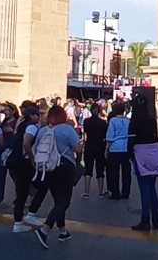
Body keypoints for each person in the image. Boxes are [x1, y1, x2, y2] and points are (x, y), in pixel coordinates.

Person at [27, 105, 83, 249]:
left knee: (58, 200)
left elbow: (37, 147)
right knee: (63, 201)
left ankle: (63, 231)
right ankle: (45, 229)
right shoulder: (67, 129)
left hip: (48, 168)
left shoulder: (43, 130)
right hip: (65, 167)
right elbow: (78, 149)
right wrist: (78, 160)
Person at [128, 94, 158, 232]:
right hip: (154, 153)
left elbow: (131, 140)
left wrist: (131, 156)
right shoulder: (151, 119)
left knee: (144, 188)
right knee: (152, 188)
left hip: (141, 154)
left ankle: (145, 220)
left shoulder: (135, 120)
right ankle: (155, 219)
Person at [9, 105, 41, 233]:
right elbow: (26, 143)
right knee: (36, 186)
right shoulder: (32, 127)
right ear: (32, 115)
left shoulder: (21, 127)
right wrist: (32, 158)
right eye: (37, 114)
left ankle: (19, 220)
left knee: (21, 191)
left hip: (17, 162)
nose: (39, 117)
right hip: (25, 162)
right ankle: (25, 217)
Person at [105, 101, 132, 200]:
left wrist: (107, 148)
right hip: (126, 148)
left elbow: (110, 136)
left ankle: (115, 192)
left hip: (115, 148)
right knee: (126, 171)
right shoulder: (128, 121)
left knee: (114, 171)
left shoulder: (113, 121)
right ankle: (126, 192)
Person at [82, 102, 108, 199]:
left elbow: (85, 133)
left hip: (89, 145)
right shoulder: (103, 123)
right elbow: (105, 135)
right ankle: (100, 192)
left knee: (88, 169)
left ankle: (86, 192)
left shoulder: (86, 121)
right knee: (100, 169)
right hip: (100, 146)